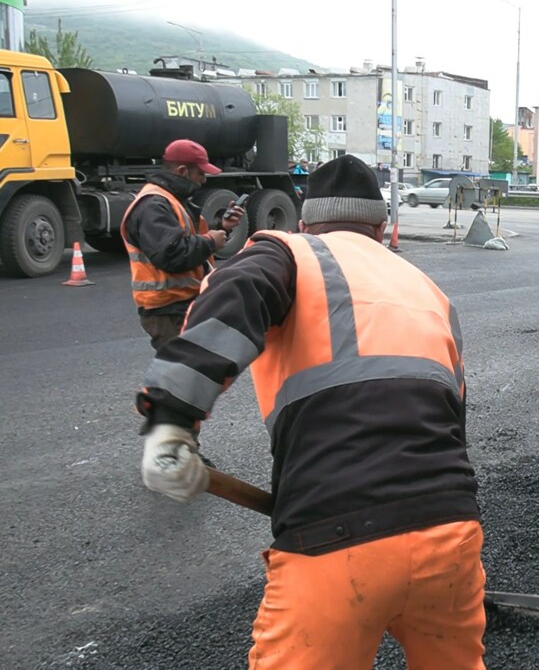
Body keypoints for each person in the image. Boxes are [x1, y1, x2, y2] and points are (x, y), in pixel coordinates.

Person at [134, 155, 484, 669]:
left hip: (334, 535)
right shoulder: (429, 292)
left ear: (304, 222)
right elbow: (455, 419)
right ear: (381, 226)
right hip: (451, 531)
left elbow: (233, 293)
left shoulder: (293, 254)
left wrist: (170, 422)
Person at [120, 139, 244, 351]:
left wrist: (222, 227)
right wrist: (210, 241)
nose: (203, 181)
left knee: (194, 374)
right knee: (184, 378)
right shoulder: (153, 204)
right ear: (183, 171)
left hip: (181, 305)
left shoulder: (172, 200)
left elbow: (187, 238)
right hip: (168, 311)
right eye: (201, 174)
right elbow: (171, 254)